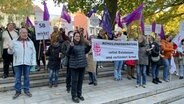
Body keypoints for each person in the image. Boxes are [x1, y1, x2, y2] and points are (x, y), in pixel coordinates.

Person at [8, 28, 36, 99]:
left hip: (27, 63)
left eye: (26, 32)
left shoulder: (30, 42)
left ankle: (26, 90)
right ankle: (18, 91)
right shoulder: (14, 41)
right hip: (17, 63)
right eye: (23, 32)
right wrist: (10, 48)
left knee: (27, 78)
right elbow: (10, 52)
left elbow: (33, 53)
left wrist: (33, 63)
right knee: (17, 78)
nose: (25, 34)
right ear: (19, 34)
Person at [68, 31, 91, 103]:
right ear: (73, 37)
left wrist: (89, 46)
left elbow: (85, 51)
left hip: (82, 65)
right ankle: (74, 96)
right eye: (76, 36)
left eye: (78, 36)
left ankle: (79, 94)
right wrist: (71, 47)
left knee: (80, 81)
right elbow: (68, 53)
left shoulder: (82, 44)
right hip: (74, 66)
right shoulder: (71, 44)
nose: (77, 37)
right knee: (74, 81)